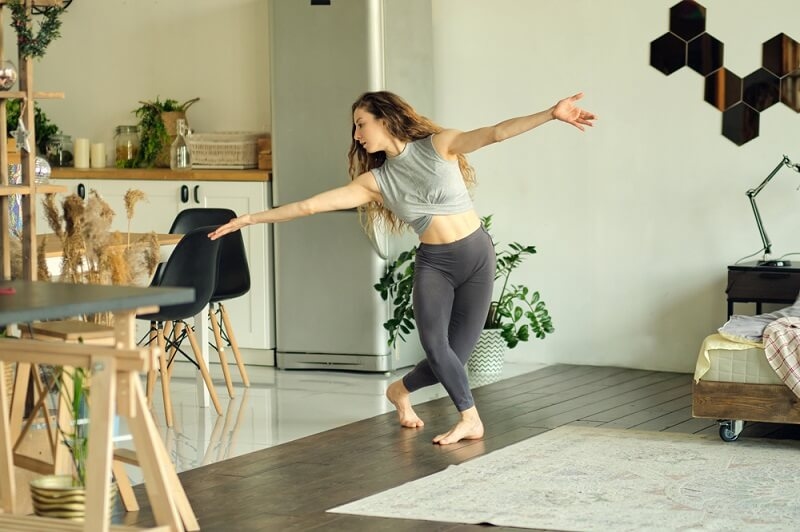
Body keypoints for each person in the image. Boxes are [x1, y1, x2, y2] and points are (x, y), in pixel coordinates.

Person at [208, 91, 596, 445]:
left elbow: (495, 133)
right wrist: (249, 219)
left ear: (385, 118)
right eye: (355, 128)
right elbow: (309, 206)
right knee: (435, 345)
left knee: (454, 358)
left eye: (361, 124)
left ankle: (399, 391)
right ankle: (470, 419)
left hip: (478, 255)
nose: (357, 135)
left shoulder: (439, 145)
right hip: (435, 265)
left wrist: (551, 114)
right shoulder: (374, 182)